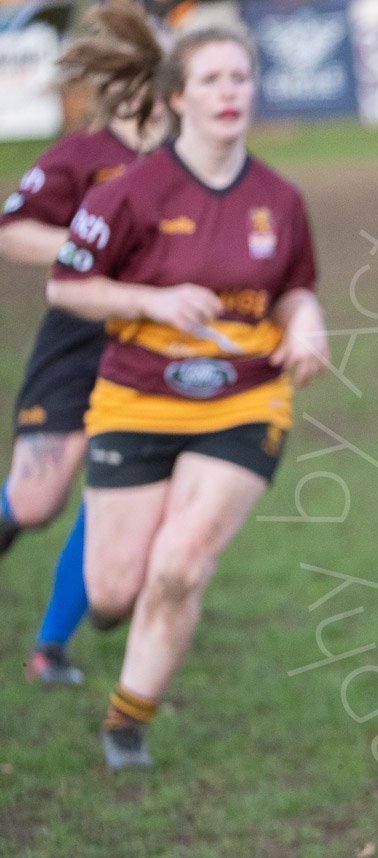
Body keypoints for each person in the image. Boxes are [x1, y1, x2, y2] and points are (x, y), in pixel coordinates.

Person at [47, 17, 327, 771]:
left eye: (241, 77)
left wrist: (307, 328)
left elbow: (296, 289)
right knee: (110, 592)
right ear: (176, 97)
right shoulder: (128, 194)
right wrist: (150, 303)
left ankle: (126, 722)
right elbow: (66, 286)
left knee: (180, 564)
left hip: (244, 402)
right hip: (135, 400)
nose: (230, 92)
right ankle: (108, 608)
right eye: (212, 79)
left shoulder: (279, 197)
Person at [0, 0, 168, 686]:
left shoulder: (192, 162)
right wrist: (93, 247)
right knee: (38, 500)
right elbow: (12, 234)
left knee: (112, 490)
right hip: (77, 344)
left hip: (151, 354)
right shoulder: (84, 155)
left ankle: (49, 648)